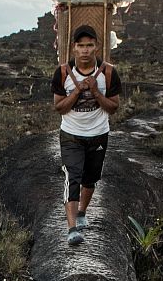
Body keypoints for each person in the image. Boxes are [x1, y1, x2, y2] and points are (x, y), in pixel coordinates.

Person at [50, 24, 122, 245]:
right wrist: (79, 90)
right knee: (73, 177)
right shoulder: (63, 72)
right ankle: (72, 229)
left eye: (89, 45)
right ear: (74, 48)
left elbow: (113, 108)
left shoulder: (108, 72)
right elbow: (59, 108)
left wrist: (95, 91)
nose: (85, 50)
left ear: (97, 47)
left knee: (90, 179)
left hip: (99, 134)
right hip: (71, 134)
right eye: (80, 45)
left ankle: (82, 212)